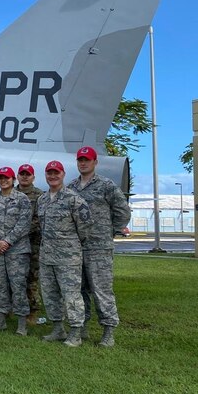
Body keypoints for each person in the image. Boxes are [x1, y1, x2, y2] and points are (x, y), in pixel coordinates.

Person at [67, 146, 131, 346]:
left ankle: (108, 331)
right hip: (77, 247)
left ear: (95, 162)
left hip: (99, 248)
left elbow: (122, 211)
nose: (83, 163)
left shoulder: (106, 186)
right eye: (80, 160)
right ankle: (82, 326)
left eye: (87, 159)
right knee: (80, 289)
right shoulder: (71, 187)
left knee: (101, 289)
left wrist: (110, 231)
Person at [37, 160, 93, 347]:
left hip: (68, 258)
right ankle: (58, 328)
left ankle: (76, 332)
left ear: (63, 174)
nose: (52, 176)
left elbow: (85, 228)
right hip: (46, 257)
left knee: (71, 295)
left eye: (56, 173)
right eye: (49, 173)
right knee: (50, 294)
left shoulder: (74, 199)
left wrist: (69, 246)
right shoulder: (42, 200)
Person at [0, 167, 32, 335]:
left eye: (7, 178)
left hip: (17, 251)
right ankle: (1, 318)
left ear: (13, 180)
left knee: (18, 285)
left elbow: (24, 224)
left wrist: (7, 242)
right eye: (0, 178)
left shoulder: (22, 199)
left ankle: (22, 323)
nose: (3, 180)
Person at [15, 163, 45, 324]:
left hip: (32, 243)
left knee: (31, 278)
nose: (25, 176)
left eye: (28, 174)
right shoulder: (11, 194)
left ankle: (32, 312)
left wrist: (19, 231)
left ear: (33, 177)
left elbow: (40, 219)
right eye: (22, 174)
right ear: (17, 176)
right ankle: (16, 309)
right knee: (14, 278)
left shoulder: (40, 195)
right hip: (13, 245)